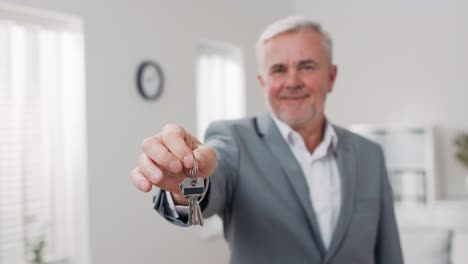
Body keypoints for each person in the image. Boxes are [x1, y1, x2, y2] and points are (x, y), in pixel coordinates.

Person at [130, 16, 404, 264]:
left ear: (331, 77)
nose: (292, 81)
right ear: (263, 83)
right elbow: (209, 183)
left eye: (306, 66)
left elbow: (389, 252)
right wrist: (184, 183)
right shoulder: (234, 140)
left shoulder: (370, 154)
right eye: (278, 70)